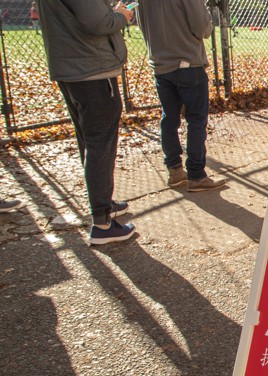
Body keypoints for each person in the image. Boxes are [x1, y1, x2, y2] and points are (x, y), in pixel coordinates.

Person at [38, 0, 136, 246]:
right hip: (92, 69)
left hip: (73, 68)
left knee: (90, 139)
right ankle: (102, 222)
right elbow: (97, 22)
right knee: (100, 143)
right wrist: (122, 16)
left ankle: (103, 202)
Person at [137, 0, 226, 192]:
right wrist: (208, 20)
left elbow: (142, 25)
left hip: (161, 65)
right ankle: (196, 175)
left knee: (169, 118)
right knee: (196, 119)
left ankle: (174, 169)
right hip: (188, 63)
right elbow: (202, 27)